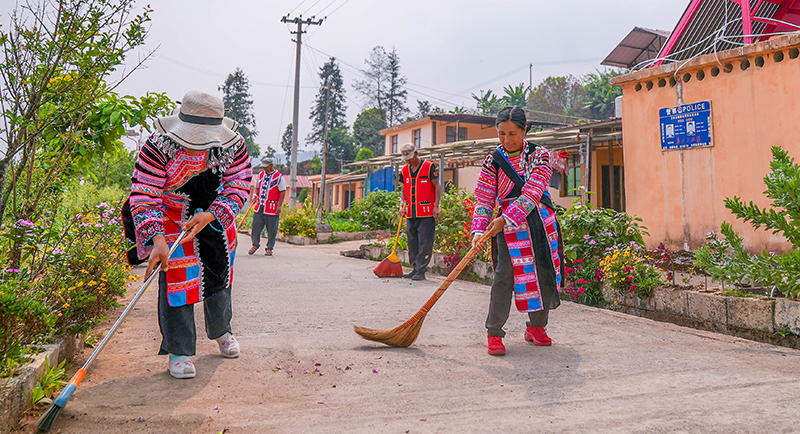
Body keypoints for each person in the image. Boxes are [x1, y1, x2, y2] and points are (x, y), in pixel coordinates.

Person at [126, 90, 252, 379]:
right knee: (177, 284)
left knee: (220, 276)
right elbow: (144, 194)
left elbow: (239, 185)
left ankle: (222, 330)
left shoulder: (233, 146)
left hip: (216, 219)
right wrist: (156, 239)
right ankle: (180, 350)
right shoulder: (157, 147)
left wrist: (210, 215)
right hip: (171, 221)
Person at [470, 106, 564, 356]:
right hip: (507, 230)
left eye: (512, 133)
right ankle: (494, 332)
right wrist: (478, 231)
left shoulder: (540, 155)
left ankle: (536, 328)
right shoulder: (493, 160)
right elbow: (484, 198)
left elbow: (533, 192)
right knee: (504, 278)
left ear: (524, 130)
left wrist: (504, 219)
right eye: (501, 134)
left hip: (541, 225)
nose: (507, 139)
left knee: (542, 273)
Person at [399, 143, 441, 281]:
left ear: (416, 154)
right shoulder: (404, 170)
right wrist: (402, 205)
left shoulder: (429, 167)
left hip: (426, 213)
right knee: (412, 242)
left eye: (410, 158)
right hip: (411, 212)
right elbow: (403, 189)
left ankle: (421, 270)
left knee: (425, 242)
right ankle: (414, 268)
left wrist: (436, 206)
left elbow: (437, 186)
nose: (408, 161)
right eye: (406, 159)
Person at [249, 157, 286, 256]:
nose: (264, 169)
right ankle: (255, 244)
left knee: (272, 229)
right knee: (256, 226)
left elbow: (282, 191)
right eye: (263, 167)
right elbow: (256, 187)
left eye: (266, 167)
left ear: (271, 165)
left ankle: (269, 248)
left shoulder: (279, 177)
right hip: (260, 206)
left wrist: (279, 205)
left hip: (272, 207)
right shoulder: (261, 175)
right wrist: (255, 194)